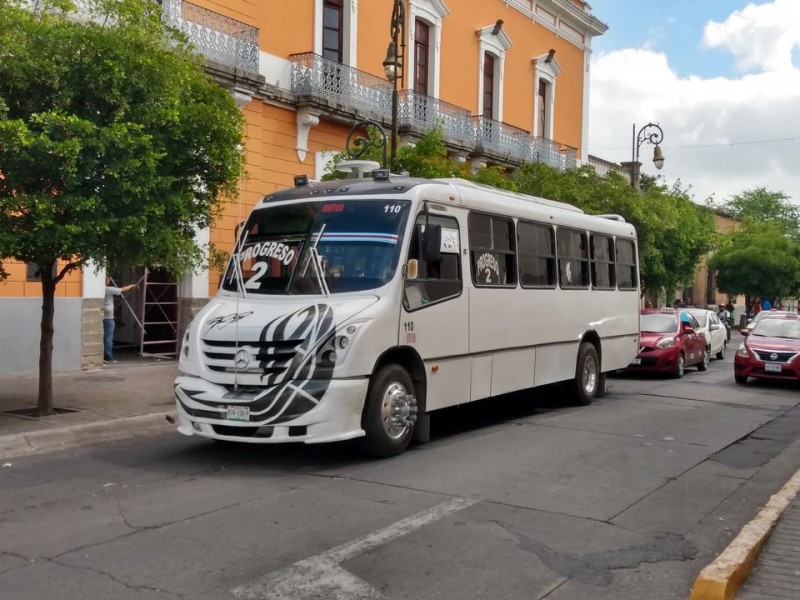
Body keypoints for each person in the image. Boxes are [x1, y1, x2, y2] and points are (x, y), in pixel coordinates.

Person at [104, 276, 137, 364]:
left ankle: (103, 355)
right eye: (108, 279)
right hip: (109, 317)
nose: (109, 280)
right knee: (108, 338)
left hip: (101, 316)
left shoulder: (97, 290)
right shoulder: (108, 289)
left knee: (104, 337)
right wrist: (132, 285)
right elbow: (122, 290)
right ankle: (108, 356)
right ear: (107, 280)